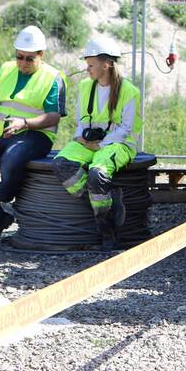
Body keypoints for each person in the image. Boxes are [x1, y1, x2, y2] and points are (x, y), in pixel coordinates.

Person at [0, 25, 66, 248]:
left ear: (41, 55)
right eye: (19, 57)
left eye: (29, 59)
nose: (23, 63)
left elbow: (54, 117)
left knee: (12, 158)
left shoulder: (53, 78)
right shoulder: (5, 70)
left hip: (36, 135)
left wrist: (25, 123)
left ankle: (4, 195)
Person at [51, 36, 142, 248]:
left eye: (91, 65)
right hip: (90, 143)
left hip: (118, 145)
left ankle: (107, 231)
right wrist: (81, 138)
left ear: (106, 64)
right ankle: (104, 198)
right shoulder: (86, 86)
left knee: (97, 174)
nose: (87, 69)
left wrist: (100, 145)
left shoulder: (129, 92)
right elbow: (81, 119)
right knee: (60, 164)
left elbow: (125, 129)